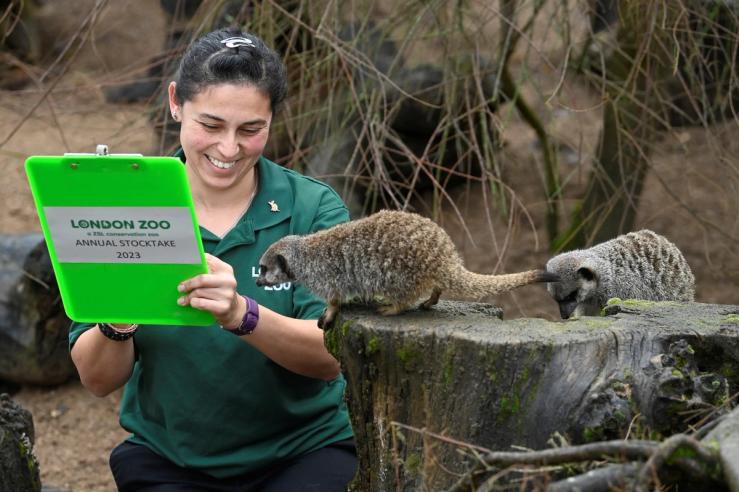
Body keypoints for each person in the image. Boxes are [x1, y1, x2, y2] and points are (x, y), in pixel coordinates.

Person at [69, 27, 357, 491]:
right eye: (211, 125)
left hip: (305, 451)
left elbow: (332, 357)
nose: (228, 149)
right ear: (175, 103)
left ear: (272, 120)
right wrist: (118, 319)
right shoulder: (122, 207)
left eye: (251, 130)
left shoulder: (312, 208)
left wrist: (242, 314)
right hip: (170, 460)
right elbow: (98, 379)